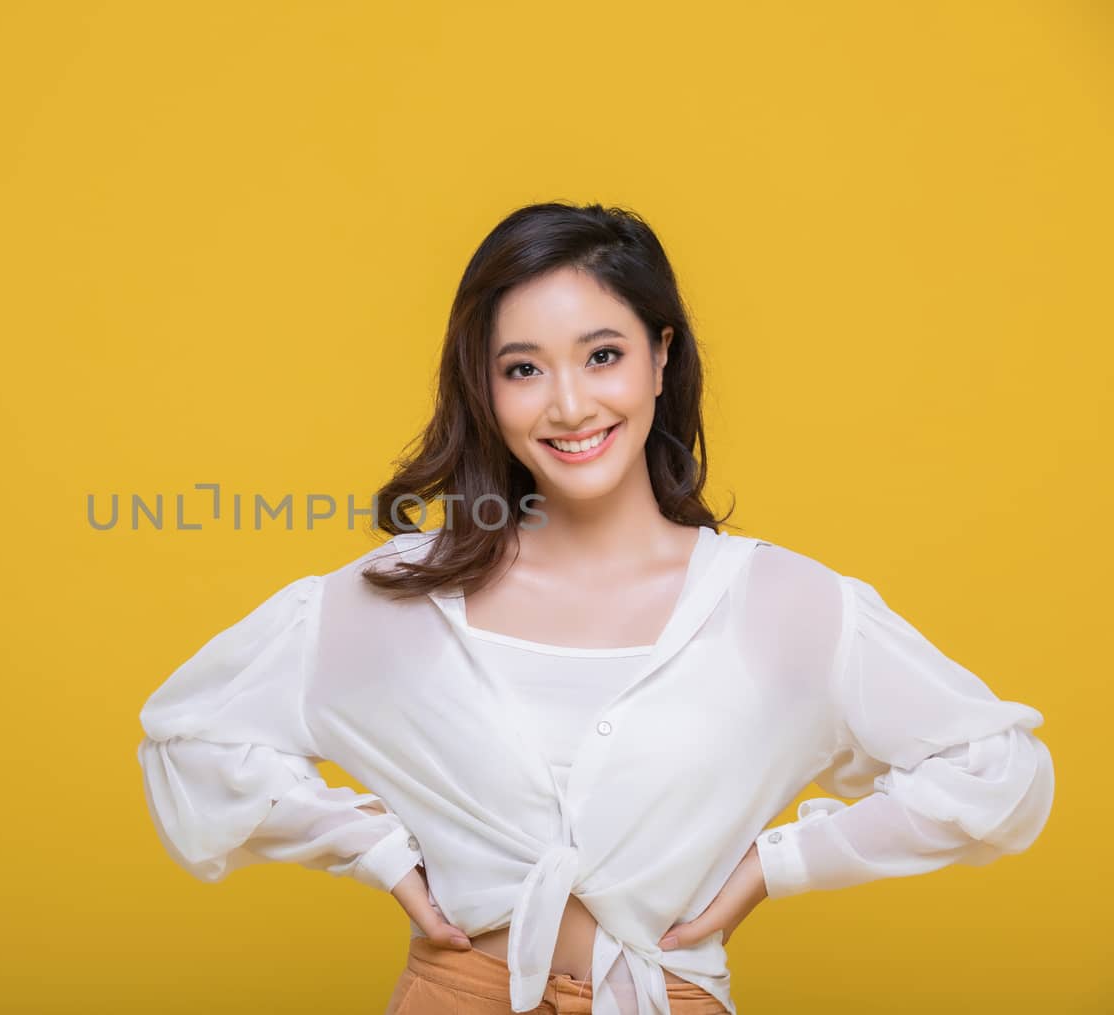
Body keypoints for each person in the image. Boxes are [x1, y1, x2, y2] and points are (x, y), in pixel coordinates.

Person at [134, 202, 1055, 1015]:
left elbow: (994, 769)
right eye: (523, 368)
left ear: (661, 355)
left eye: (603, 355)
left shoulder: (782, 605)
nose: (569, 404)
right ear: (484, 390)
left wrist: (776, 869)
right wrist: (371, 850)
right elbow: (192, 736)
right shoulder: (398, 600)